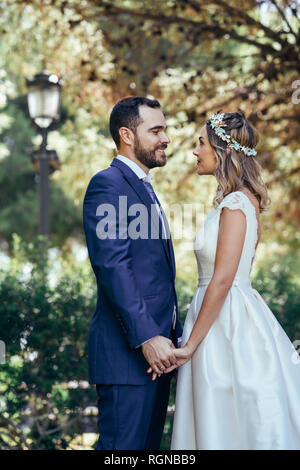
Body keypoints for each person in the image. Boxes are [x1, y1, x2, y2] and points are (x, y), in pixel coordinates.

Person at [157, 110, 300, 450]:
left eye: (201, 143)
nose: (195, 151)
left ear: (223, 150)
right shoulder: (234, 201)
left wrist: (189, 345)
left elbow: (223, 279)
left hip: (226, 322)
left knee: (228, 415)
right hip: (217, 315)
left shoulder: (237, 204)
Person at [82, 96, 182, 450]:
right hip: (129, 356)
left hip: (157, 356)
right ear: (127, 135)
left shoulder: (143, 187)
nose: (165, 138)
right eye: (155, 130)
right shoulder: (108, 184)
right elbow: (112, 266)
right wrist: (147, 338)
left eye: (164, 129)